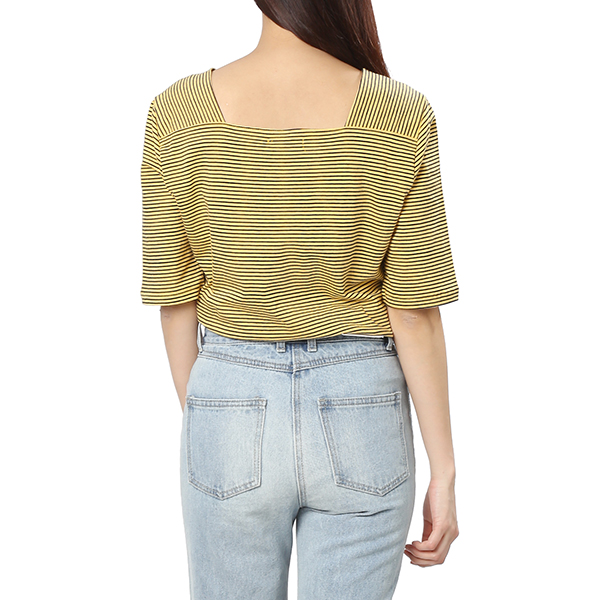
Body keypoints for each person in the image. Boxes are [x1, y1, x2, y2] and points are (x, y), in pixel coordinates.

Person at [140, 1, 459, 598]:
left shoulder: (178, 110)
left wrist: (216, 415)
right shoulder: (398, 111)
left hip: (229, 392)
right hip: (362, 402)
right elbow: (414, 310)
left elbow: (175, 299)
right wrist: (444, 470)